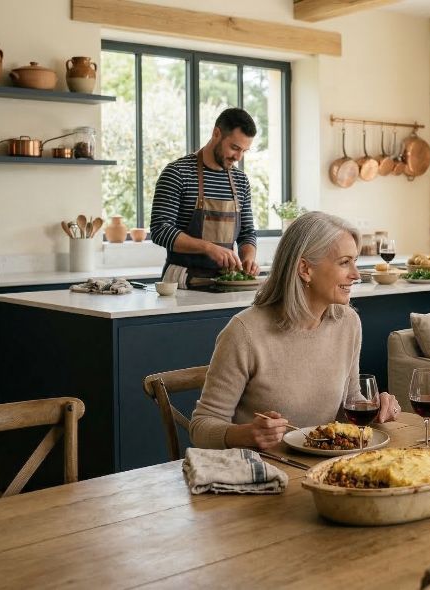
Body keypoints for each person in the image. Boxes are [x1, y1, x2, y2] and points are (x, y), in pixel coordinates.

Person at [189, 211, 401, 450]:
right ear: (305, 269)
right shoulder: (244, 332)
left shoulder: (347, 322)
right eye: (344, 262)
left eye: (354, 261)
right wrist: (245, 435)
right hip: (264, 467)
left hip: (327, 465)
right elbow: (201, 426)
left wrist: (375, 408)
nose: (356, 274)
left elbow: (350, 400)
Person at [150, 107, 260, 289]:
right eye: (234, 148)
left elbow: (247, 233)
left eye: (244, 151)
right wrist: (208, 248)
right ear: (216, 133)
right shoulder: (177, 173)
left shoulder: (240, 180)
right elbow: (160, 230)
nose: (238, 157)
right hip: (181, 283)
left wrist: (248, 258)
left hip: (226, 284)